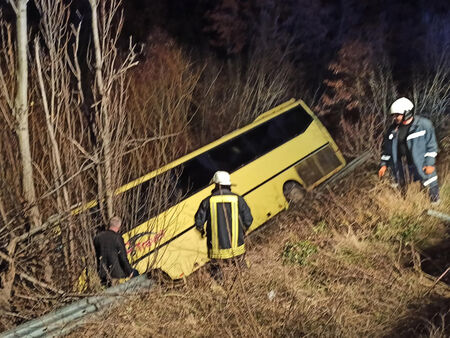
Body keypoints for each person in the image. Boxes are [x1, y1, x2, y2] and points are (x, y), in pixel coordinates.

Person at [379, 97, 440, 205]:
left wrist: (430, 163)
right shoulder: (392, 130)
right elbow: (387, 150)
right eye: (394, 115)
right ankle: (404, 206)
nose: (395, 117)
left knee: (429, 181)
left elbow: (432, 146)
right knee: (398, 184)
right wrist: (384, 164)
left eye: (397, 115)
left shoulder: (423, 125)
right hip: (401, 165)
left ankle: (435, 203)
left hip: (421, 162)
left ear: (407, 112)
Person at [195, 171, 253, 281]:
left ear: (216, 184)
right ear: (228, 184)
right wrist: (243, 232)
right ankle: (246, 285)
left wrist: (202, 232)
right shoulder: (238, 199)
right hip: (237, 247)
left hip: (216, 250)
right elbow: (248, 220)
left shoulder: (207, 201)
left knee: (217, 273)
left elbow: (199, 223)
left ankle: (223, 289)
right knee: (242, 271)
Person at [94, 216, 139, 287]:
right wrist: (129, 271)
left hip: (103, 274)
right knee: (136, 274)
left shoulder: (97, 238)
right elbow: (122, 257)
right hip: (117, 274)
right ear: (119, 226)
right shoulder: (117, 238)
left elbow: (97, 257)